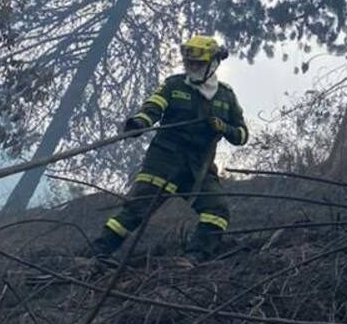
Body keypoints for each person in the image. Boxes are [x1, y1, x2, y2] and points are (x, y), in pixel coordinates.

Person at [84, 35, 249, 263]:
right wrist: (139, 123)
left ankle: (195, 257)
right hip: (164, 161)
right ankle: (97, 254)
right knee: (137, 209)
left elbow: (242, 135)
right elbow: (154, 106)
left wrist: (224, 128)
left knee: (217, 210)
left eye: (198, 63)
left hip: (199, 168)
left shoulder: (226, 96)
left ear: (213, 63)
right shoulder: (173, 85)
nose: (192, 67)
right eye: (189, 63)